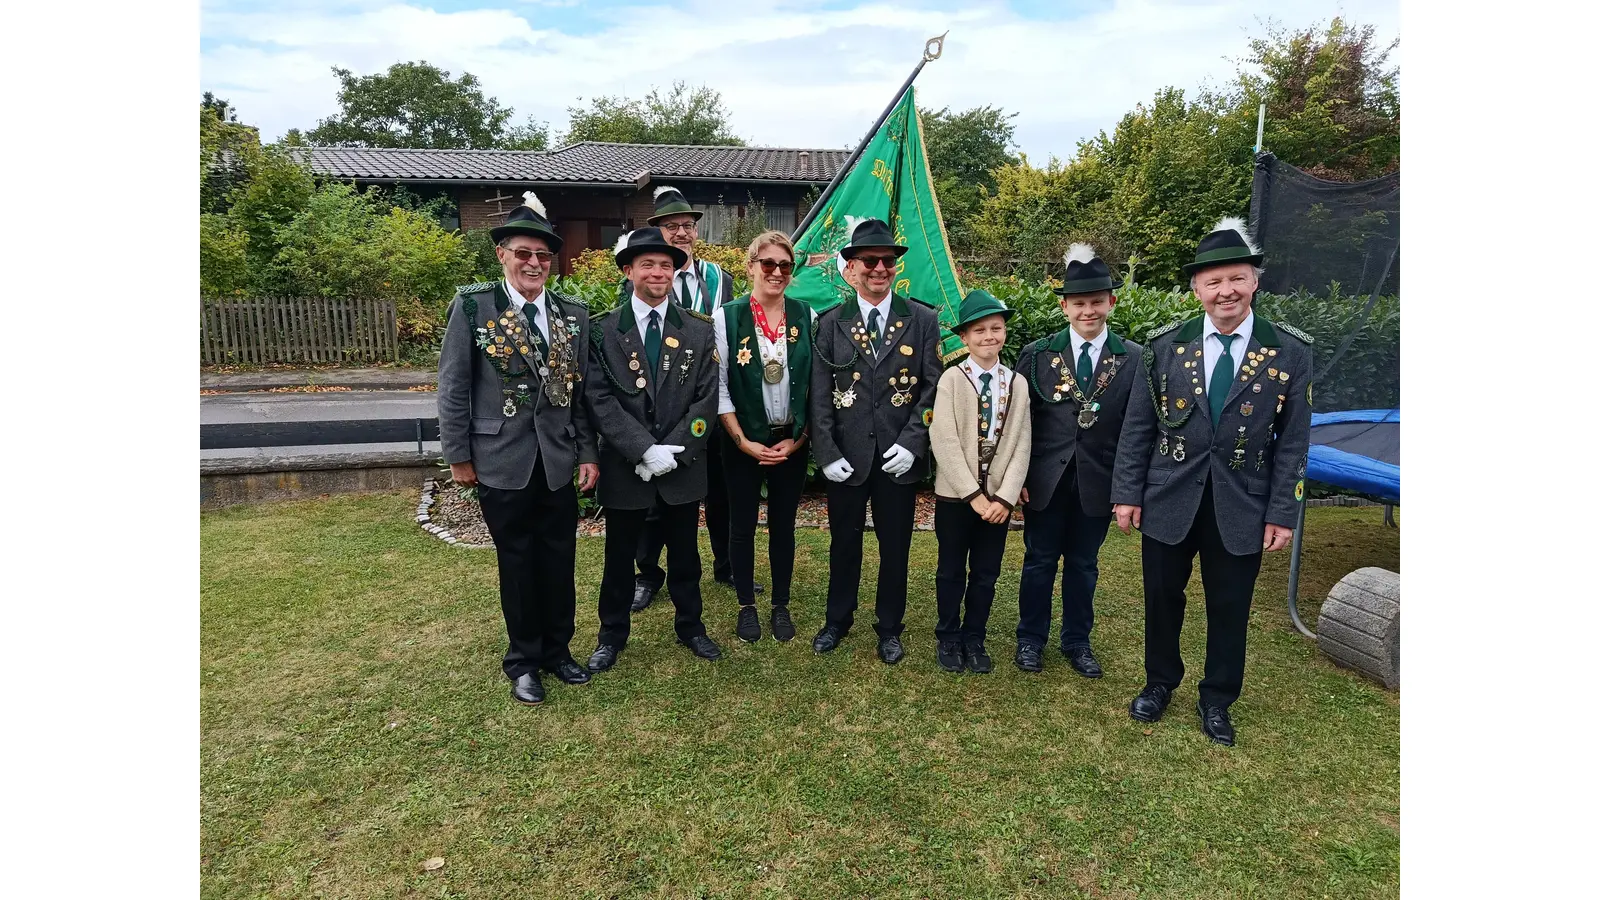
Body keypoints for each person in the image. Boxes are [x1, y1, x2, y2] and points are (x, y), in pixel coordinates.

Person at [1111, 217, 1314, 747]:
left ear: (1255, 282)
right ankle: (1159, 683)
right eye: (1214, 281)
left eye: (1237, 278)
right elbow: (1138, 426)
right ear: (1197, 288)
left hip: (1243, 502)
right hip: (1168, 495)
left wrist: (1282, 512)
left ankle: (1218, 697)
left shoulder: (1290, 352)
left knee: (1229, 605)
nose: (1226, 290)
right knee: (1161, 596)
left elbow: (1293, 442)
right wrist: (1127, 494)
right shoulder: (1164, 347)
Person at [437, 192, 599, 706]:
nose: (534, 263)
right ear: (502, 254)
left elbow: (580, 393)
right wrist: (458, 455)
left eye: (543, 256)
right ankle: (524, 661)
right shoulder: (473, 306)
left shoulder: (573, 313)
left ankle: (558, 651)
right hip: (500, 457)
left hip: (556, 460)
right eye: (524, 253)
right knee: (518, 561)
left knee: (559, 558)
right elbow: (454, 385)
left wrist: (589, 453)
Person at [584, 226, 724, 672]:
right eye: (647, 264)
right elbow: (599, 400)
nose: (658, 272)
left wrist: (674, 450)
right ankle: (611, 635)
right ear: (629, 271)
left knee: (686, 555)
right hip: (627, 468)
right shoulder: (602, 330)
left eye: (666, 265)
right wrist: (644, 450)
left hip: (682, 468)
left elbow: (706, 398)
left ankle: (691, 627)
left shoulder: (699, 331)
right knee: (619, 559)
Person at [808, 217, 942, 664]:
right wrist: (825, 453)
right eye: (869, 261)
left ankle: (889, 627)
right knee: (843, 543)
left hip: (896, 456)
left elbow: (931, 388)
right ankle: (837, 621)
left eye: (887, 261)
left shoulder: (921, 319)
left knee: (895, 547)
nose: (879, 268)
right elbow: (819, 394)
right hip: (847, 455)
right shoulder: (830, 323)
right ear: (851, 266)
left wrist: (913, 442)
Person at [1013, 244, 1142, 676]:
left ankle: (1077, 641)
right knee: (1039, 561)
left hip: (1099, 481)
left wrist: (1126, 489)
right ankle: (1030, 639)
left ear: (1112, 301)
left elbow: (1134, 430)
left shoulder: (1134, 358)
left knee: (1084, 566)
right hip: (1045, 480)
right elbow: (1022, 422)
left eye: (1096, 302)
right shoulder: (1037, 354)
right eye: (1079, 303)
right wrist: (1018, 478)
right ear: (1065, 306)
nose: (1088, 310)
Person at [624, 186, 746, 613]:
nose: (681, 233)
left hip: (716, 401)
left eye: (687, 226)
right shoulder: (647, 276)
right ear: (656, 231)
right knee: (657, 497)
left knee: (721, 491)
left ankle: (727, 565)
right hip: (666, 410)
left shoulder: (719, 278)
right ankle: (648, 573)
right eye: (671, 226)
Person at [714, 230, 817, 643]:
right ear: (751, 265)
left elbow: (816, 386)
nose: (777, 272)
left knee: (783, 525)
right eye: (768, 263)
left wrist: (799, 439)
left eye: (785, 265)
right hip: (742, 440)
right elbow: (720, 387)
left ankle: (780, 604)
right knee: (741, 525)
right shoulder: (728, 316)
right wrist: (742, 441)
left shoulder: (808, 315)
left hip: (790, 441)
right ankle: (746, 605)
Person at [928, 289, 1032, 674]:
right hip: (957, 497)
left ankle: (975, 636)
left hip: (998, 501)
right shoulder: (952, 380)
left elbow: (1022, 442)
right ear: (965, 337)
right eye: (980, 331)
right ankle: (948, 635)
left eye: (996, 329)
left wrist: (1005, 499)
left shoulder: (1016, 383)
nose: (989, 337)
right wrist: (972, 494)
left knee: (986, 572)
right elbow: (944, 438)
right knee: (951, 569)